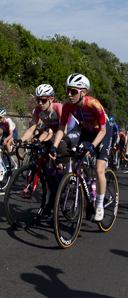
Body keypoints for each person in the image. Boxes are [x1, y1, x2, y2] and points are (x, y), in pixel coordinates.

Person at [50, 73, 110, 221]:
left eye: (73, 91)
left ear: (83, 92)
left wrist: (93, 147)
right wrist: (54, 146)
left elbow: (103, 131)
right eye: (67, 90)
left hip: (102, 132)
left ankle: (100, 205)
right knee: (78, 165)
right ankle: (87, 192)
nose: (69, 94)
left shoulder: (94, 104)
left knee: (99, 169)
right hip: (87, 132)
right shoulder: (67, 105)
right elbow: (61, 127)